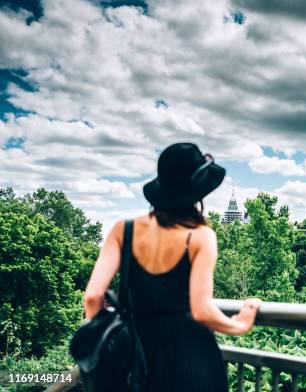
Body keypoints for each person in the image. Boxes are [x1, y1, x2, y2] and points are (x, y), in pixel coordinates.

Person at [82, 143, 259, 391]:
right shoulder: (200, 236)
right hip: (193, 360)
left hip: (139, 359)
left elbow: (92, 298)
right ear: (198, 192)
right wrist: (240, 324)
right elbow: (201, 310)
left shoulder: (124, 230)